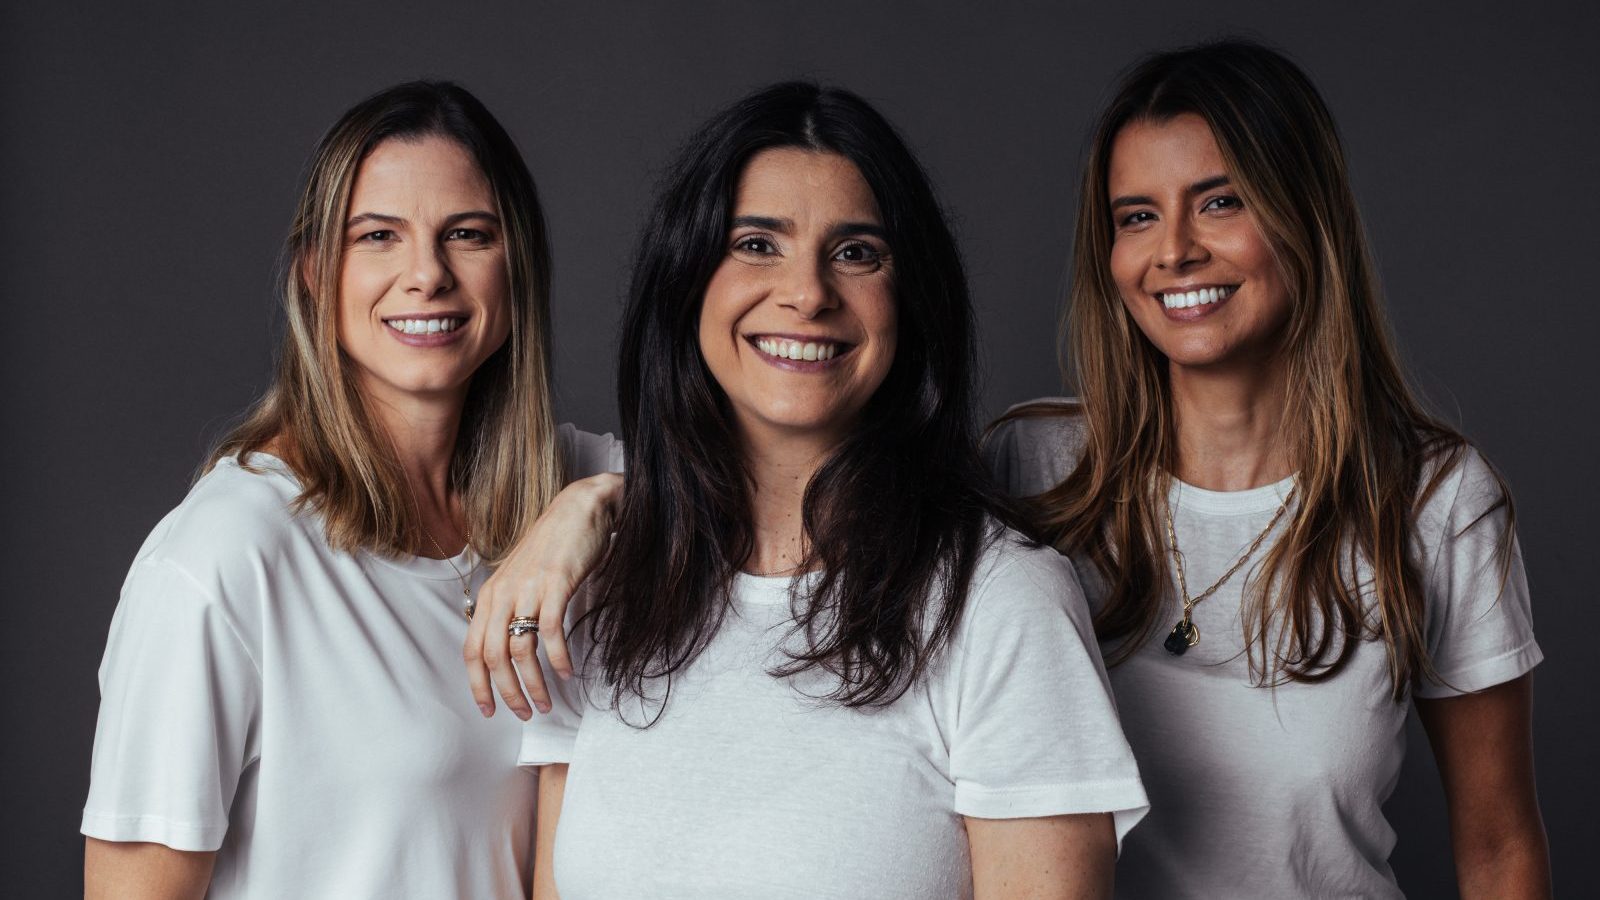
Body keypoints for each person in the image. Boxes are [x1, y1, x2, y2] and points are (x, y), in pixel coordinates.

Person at [478, 82, 1147, 899]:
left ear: (910, 300)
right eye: (757, 244)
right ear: (687, 280)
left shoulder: (1003, 604)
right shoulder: (597, 596)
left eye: (857, 252)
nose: (807, 292)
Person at [985, 40, 1550, 898]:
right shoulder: (1027, 472)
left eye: (1220, 202)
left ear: (1303, 216)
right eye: (1136, 216)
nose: (1172, 251)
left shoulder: (1435, 500)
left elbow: (1500, 846)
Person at [81, 81, 621, 899]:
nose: (426, 275)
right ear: (313, 271)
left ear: (519, 264)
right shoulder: (224, 558)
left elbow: (784, 487)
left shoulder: (570, 484)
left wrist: (590, 506)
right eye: (378, 236)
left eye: (468, 234)